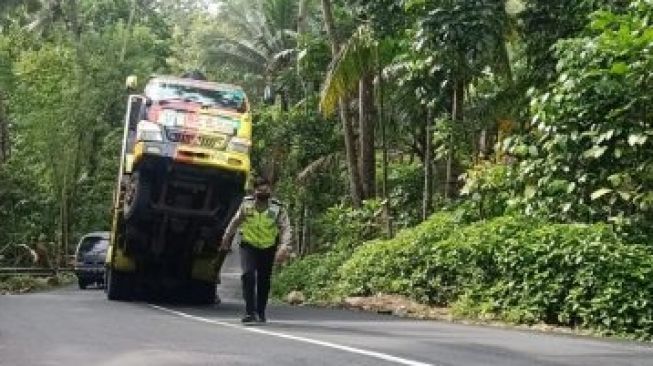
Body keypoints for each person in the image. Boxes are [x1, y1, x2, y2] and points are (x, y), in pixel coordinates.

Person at [220, 177, 292, 323]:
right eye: (260, 191)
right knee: (248, 275)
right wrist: (226, 238)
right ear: (254, 191)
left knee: (264, 280)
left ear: (270, 190)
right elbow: (235, 222)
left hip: (268, 247)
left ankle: (261, 311)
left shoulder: (277, 207)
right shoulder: (246, 205)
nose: (263, 193)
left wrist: (284, 246)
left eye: (266, 190)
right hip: (248, 245)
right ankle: (249, 312)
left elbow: (285, 228)